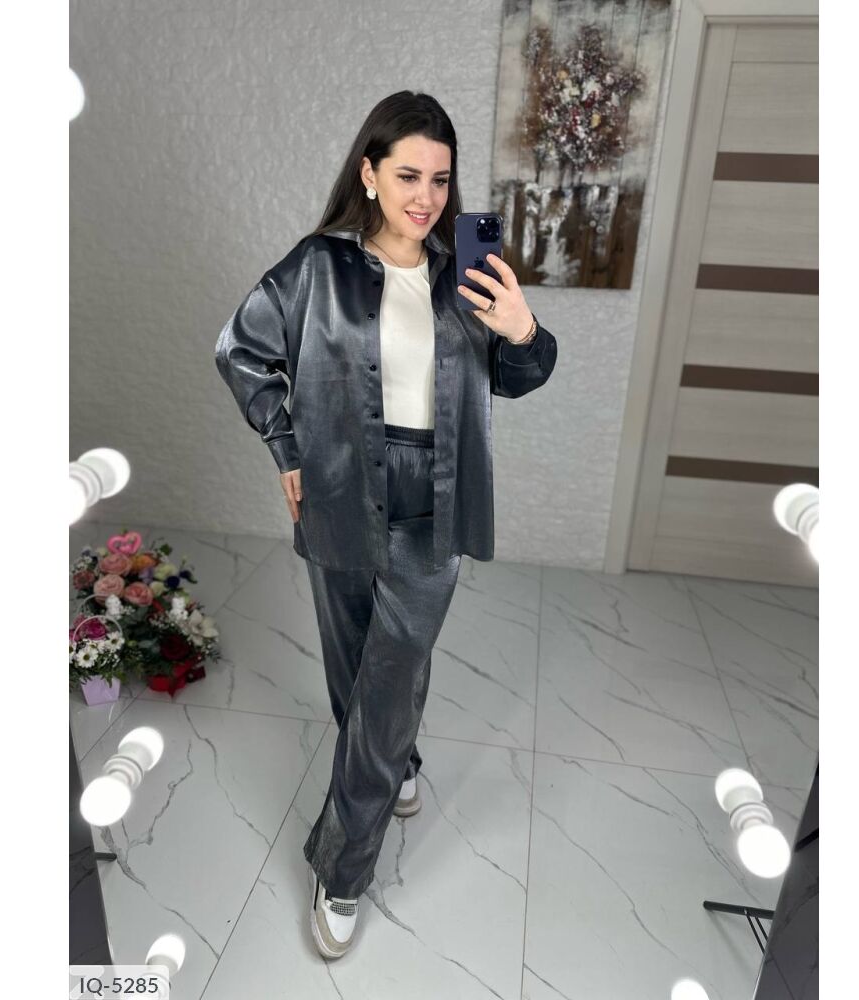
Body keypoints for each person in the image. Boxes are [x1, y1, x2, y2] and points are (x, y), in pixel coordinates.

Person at [214, 91, 557, 960]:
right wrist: (286, 448)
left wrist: (521, 329)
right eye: (407, 175)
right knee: (354, 663)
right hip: (338, 485)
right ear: (368, 174)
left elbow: (518, 377)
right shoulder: (317, 268)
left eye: (440, 179)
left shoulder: (465, 276)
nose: (426, 197)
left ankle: (343, 870)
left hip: (436, 493)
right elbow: (240, 351)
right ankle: (397, 764)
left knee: (392, 672)